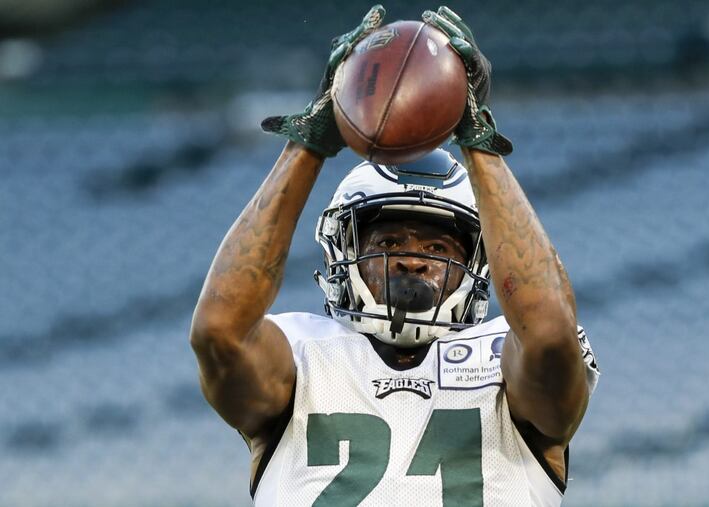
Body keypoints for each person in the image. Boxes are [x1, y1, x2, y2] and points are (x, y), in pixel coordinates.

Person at [190, 5, 599, 506]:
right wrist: (309, 143)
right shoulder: (300, 356)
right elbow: (218, 332)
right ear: (344, 249)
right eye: (387, 243)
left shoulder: (503, 357)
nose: (412, 260)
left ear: (480, 259)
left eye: (437, 247)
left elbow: (551, 335)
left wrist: (479, 144)